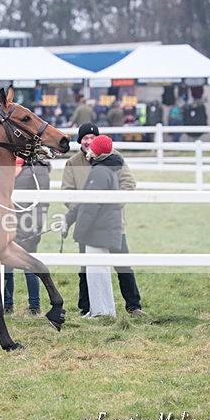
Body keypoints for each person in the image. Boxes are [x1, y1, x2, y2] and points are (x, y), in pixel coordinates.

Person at [61, 123, 145, 317]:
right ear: (80, 140)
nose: (89, 141)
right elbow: (68, 192)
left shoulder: (113, 159)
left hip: (111, 222)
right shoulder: (73, 163)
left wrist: (112, 205)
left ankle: (133, 305)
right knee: (87, 267)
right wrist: (77, 213)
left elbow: (128, 183)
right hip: (87, 222)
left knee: (122, 264)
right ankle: (87, 307)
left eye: (93, 138)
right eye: (85, 138)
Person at [63, 135, 123, 317]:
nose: (88, 149)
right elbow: (85, 201)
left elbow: (90, 205)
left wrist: (79, 232)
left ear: (96, 151)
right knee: (99, 270)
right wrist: (69, 218)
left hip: (98, 230)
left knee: (96, 271)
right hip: (101, 229)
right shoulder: (103, 169)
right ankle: (103, 310)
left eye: (92, 147)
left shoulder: (99, 171)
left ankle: (100, 312)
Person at [4, 157, 50, 315]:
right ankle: (7, 305)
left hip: (28, 225)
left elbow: (43, 201)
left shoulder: (37, 167)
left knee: (29, 266)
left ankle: (34, 306)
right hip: (7, 223)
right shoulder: (7, 163)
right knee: (6, 265)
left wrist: (37, 226)